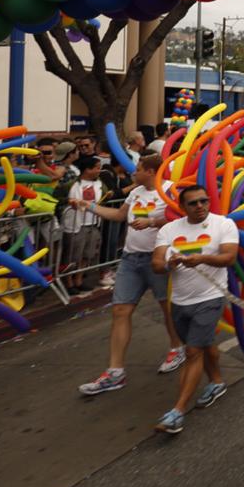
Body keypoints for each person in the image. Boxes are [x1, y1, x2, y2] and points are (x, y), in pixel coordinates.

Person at [78, 155, 186, 395]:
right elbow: (118, 216)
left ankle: (177, 348)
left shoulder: (170, 190)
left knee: (166, 308)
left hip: (157, 259)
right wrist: (90, 207)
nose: (134, 172)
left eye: (138, 169)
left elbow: (178, 219)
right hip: (130, 259)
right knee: (120, 310)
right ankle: (116, 372)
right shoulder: (135, 192)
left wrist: (151, 222)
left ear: (150, 171)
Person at [150, 184, 240, 435]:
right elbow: (156, 263)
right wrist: (168, 263)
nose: (200, 206)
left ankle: (177, 412)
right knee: (205, 345)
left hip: (211, 297)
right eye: (193, 203)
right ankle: (217, 382)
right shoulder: (169, 230)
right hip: (179, 301)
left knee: (192, 352)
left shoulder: (224, 224)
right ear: (182, 207)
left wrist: (200, 259)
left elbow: (228, 258)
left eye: (204, 201)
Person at [57, 157, 108, 294]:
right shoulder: (71, 184)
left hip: (93, 224)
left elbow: (105, 198)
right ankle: (69, 282)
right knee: (72, 255)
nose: (99, 170)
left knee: (87, 254)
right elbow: (57, 198)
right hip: (75, 224)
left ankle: (79, 280)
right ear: (87, 169)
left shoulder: (100, 184)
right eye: (97, 167)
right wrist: (69, 201)